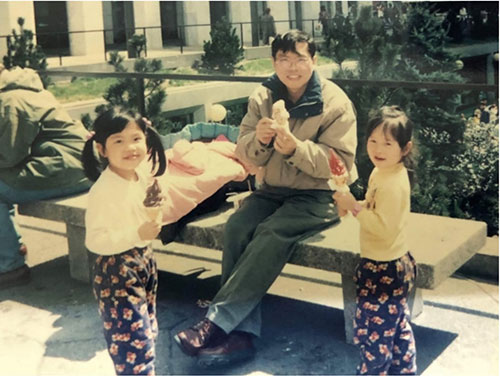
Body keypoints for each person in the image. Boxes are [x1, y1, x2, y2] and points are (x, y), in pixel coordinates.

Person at [174, 30, 358, 368]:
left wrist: (295, 149)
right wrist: (258, 140)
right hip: (272, 190)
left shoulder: (336, 103)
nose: (292, 67)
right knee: (237, 227)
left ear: (314, 61)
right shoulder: (263, 96)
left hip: (320, 195)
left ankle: (215, 325)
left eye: (300, 59)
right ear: (273, 62)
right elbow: (245, 150)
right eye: (284, 60)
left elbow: (340, 165)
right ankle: (241, 335)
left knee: (272, 233)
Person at [82, 108, 167, 375]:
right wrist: (136, 234)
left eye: (136, 138)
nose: (130, 147)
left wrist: (155, 218)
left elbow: (147, 208)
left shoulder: (141, 175)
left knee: (147, 330)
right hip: (115, 271)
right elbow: (95, 241)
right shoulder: (103, 190)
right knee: (132, 342)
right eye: (118, 141)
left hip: (143, 261)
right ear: (102, 149)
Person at [334, 106, 417, 375]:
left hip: (385, 269)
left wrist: (354, 208)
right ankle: (404, 369)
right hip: (390, 263)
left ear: (405, 148)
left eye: (388, 143)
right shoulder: (382, 172)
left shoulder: (393, 183)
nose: (378, 149)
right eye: (373, 141)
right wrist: (352, 203)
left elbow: (383, 227)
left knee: (375, 334)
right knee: (396, 324)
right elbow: (375, 208)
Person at [0, 65, 91, 290]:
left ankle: (11, 265)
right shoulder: (27, 90)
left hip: (67, 169)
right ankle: (10, 249)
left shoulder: (11, 100)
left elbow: (8, 155)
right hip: (79, 166)